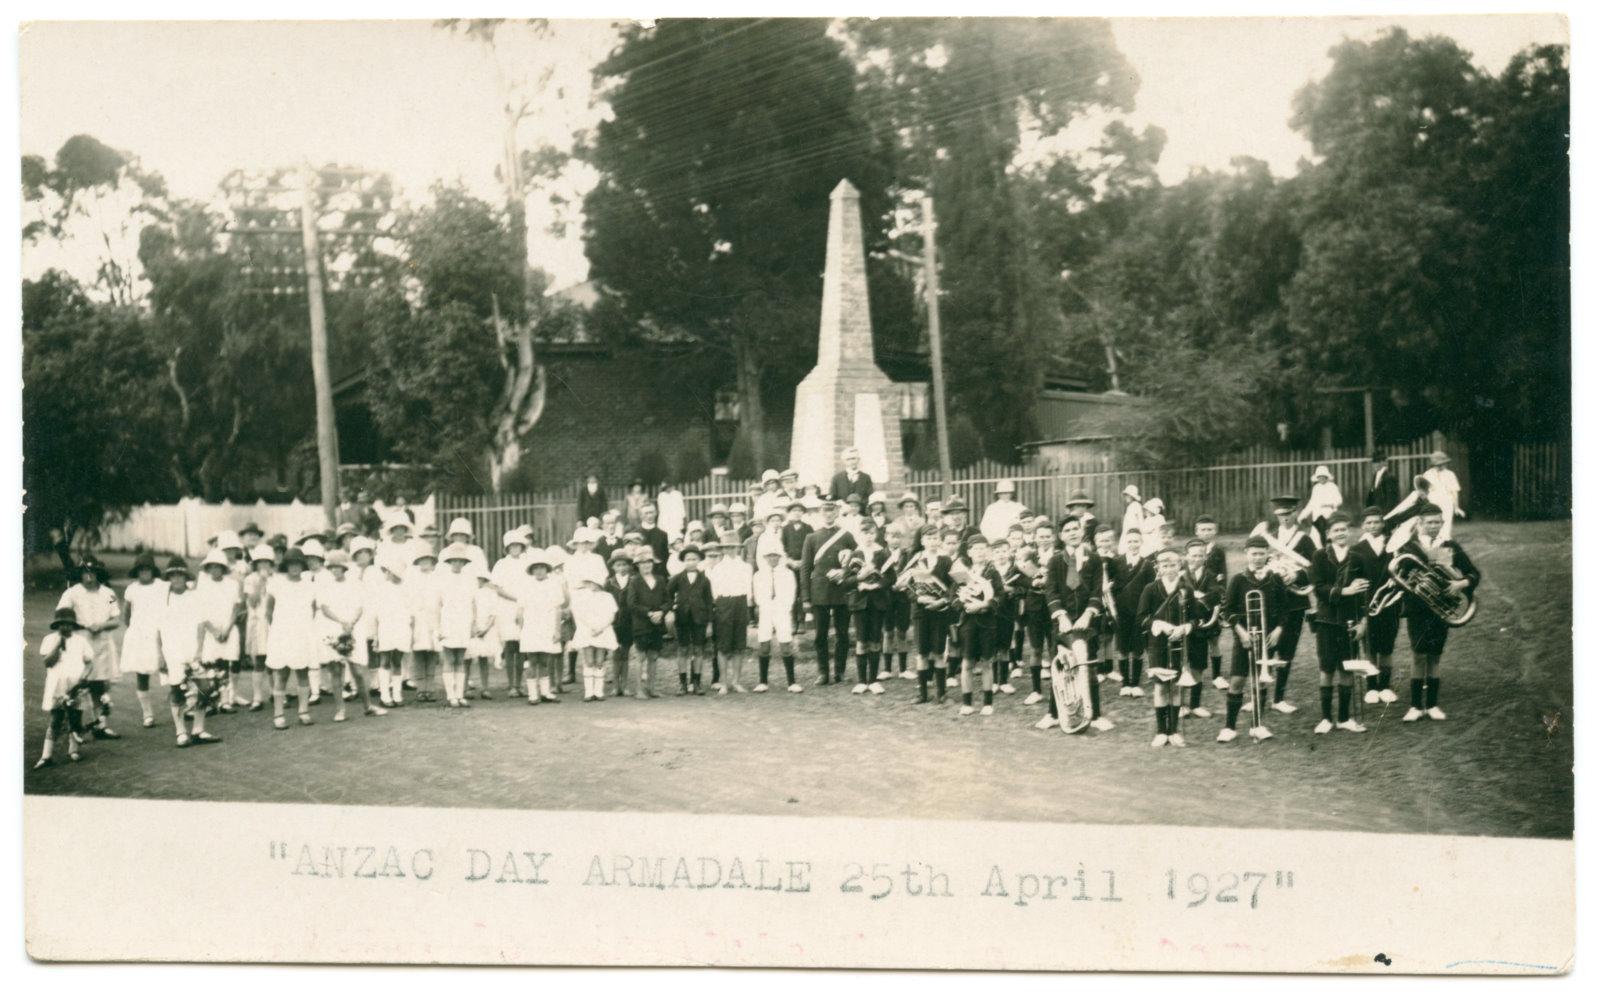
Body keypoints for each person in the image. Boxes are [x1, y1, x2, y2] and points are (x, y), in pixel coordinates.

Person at [1396, 503, 1479, 723]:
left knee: (1434, 656)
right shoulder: (1408, 548)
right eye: (1429, 522)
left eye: (1438, 522)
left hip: (1441, 609)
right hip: (1417, 609)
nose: (1434, 526)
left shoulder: (1448, 545)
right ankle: (1415, 706)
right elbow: (1399, 577)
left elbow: (1473, 573)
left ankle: (1432, 705)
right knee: (1418, 654)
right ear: (1420, 524)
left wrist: (1461, 584)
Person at [1040, 514, 1108, 732]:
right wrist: (1061, 617)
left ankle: (1095, 715)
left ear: (1082, 531)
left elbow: (1097, 590)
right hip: (1062, 622)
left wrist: (1088, 615)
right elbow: (1050, 591)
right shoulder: (1055, 560)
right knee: (1061, 667)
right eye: (1068, 530)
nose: (1072, 533)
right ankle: (1053, 714)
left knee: (1089, 667)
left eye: (1076, 528)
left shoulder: (1094, 559)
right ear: (1061, 536)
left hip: (1087, 621)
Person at [1309, 512, 1373, 735]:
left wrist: (1363, 622)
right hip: (1326, 621)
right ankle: (1326, 718)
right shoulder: (1319, 556)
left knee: (1347, 669)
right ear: (1328, 534)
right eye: (1336, 530)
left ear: (1350, 531)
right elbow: (1318, 588)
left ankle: (1345, 718)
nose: (1341, 533)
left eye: (1344, 529)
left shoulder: (1358, 558)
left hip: (1350, 622)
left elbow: (1365, 594)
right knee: (1326, 669)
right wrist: (1344, 591)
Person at [1252, 494, 1317, 714]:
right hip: (1272, 602)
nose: (1284, 519)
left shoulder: (1305, 539)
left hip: (1296, 602)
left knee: (1287, 650)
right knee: (1265, 649)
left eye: (1288, 514)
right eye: (1280, 515)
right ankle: (1259, 698)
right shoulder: (1269, 537)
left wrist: (1296, 576)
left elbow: (1314, 570)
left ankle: (1278, 698)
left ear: (1296, 513)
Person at [1218, 536, 1287, 743]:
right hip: (1245, 638)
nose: (1258, 557)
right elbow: (1227, 610)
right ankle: (1229, 727)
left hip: (1267, 638)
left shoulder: (1275, 579)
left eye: (1262, 553)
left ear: (1268, 555)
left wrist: (1278, 630)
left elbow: (1285, 609)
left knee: (1261, 682)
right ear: (1246, 554)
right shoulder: (1239, 579)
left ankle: (1258, 725)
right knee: (1237, 681)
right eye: (1254, 553)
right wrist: (1240, 632)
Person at [1139, 548, 1200, 749]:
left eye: (1173, 564)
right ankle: (1160, 731)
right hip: (1157, 645)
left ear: (1180, 565)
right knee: (1160, 686)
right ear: (1158, 568)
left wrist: (1185, 627)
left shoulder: (1186, 590)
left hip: (1180, 644)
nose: (1169, 569)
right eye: (1164, 565)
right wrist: (1160, 625)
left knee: (1175, 687)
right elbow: (1142, 618)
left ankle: (1173, 731)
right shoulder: (1150, 588)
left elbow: (1195, 618)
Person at [55, 556, 122, 738]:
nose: (89, 577)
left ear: (98, 574)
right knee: (77, 686)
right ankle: (74, 728)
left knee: (99, 686)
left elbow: (116, 619)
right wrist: (79, 626)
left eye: (93, 573)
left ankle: (100, 725)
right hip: (79, 643)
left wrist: (101, 625)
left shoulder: (108, 594)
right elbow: (61, 616)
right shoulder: (71, 593)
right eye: (85, 573)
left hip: (101, 645)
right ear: (80, 574)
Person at [800, 497, 858, 686]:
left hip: (841, 591)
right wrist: (806, 597)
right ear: (820, 512)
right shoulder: (812, 537)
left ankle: (839, 672)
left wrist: (844, 571)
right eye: (825, 510)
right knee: (820, 635)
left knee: (842, 634)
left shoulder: (847, 536)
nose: (829, 513)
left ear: (837, 512)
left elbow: (857, 561)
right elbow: (806, 569)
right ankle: (823, 672)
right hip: (820, 592)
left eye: (832, 510)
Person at [265, 547, 319, 730]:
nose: (294, 567)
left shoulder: (309, 586)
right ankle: (278, 714)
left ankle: (303, 711)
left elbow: (311, 610)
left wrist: (303, 629)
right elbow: (269, 611)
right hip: (282, 634)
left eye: (298, 564)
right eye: (291, 564)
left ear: (302, 566)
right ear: (286, 566)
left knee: (303, 673)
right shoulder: (276, 584)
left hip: (302, 634)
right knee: (281, 674)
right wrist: (280, 631)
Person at [35, 606, 96, 768]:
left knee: (75, 718)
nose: (65, 627)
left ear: (73, 625)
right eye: (62, 624)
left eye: (69, 624)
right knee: (56, 719)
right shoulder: (49, 640)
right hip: (57, 685)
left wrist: (84, 677)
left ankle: (73, 750)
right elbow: (47, 662)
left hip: (76, 685)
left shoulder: (81, 641)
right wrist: (59, 645)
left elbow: (90, 663)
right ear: (57, 625)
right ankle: (46, 755)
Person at [1355, 506, 1403, 705]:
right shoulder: (1356, 549)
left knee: (1386, 647)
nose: (1373, 526)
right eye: (1369, 523)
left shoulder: (1393, 545)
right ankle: (1371, 687)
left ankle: (1385, 686)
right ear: (1363, 526)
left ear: (1383, 523)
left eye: (1377, 522)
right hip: (1366, 604)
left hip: (1390, 603)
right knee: (1369, 648)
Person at [951, 537, 1003, 717]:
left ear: (988, 551)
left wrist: (982, 605)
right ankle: (967, 703)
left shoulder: (992, 573)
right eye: (976, 549)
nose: (980, 552)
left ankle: (988, 703)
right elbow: (953, 599)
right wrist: (963, 601)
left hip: (987, 623)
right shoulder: (962, 573)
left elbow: (999, 597)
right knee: (967, 662)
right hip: (967, 623)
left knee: (987, 662)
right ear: (969, 552)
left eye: (983, 549)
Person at [119, 553, 169, 728]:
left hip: (161, 632)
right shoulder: (132, 589)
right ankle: (147, 713)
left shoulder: (163, 586)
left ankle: (185, 706)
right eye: (141, 570)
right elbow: (126, 613)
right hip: (140, 634)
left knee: (171, 669)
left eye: (147, 569)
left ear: (153, 571)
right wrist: (134, 629)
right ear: (137, 572)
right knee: (142, 674)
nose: (144, 572)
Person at [516, 548, 567, 705]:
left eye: (542, 567)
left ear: (547, 569)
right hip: (531, 627)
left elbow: (558, 608)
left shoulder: (554, 584)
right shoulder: (526, 585)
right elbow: (520, 609)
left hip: (547, 626)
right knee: (532, 661)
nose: (539, 571)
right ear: (532, 570)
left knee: (545, 661)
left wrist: (557, 630)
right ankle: (533, 694)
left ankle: (545, 692)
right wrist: (521, 629)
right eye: (535, 568)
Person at [752, 532, 801, 693]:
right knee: (764, 644)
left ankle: (792, 682)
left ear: (780, 557)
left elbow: (791, 595)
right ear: (765, 558)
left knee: (785, 644)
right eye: (769, 556)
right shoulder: (759, 575)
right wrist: (766, 607)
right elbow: (758, 596)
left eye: (775, 556)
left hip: (782, 611)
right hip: (766, 610)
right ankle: (763, 682)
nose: (773, 559)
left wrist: (783, 609)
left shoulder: (788, 574)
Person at [1181, 538, 1222, 723]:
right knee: (1180, 664)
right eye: (1193, 555)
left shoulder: (1210, 575)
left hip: (1199, 626)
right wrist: (1193, 596)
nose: (1196, 559)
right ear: (1186, 556)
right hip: (1181, 625)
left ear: (1205, 557)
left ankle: (1195, 705)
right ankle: (1180, 705)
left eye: (1200, 555)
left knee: (1198, 664)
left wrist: (1199, 598)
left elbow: (1215, 595)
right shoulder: (1180, 574)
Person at [843, 533, 890, 695]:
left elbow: (891, 578)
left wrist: (876, 585)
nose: (868, 536)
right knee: (861, 641)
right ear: (860, 535)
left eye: (871, 533)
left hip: (877, 603)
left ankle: (874, 681)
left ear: (875, 534)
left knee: (875, 641)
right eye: (864, 533)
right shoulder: (855, 554)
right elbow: (846, 580)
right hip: (859, 604)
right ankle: (862, 681)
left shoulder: (882, 554)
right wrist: (860, 579)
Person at [1111, 527, 1154, 697]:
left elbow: (1151, 588)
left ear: (1141, 542)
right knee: (1122, 647)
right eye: (1129, 541)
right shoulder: (1117, 562)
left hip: (1139, 611)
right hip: (1121, 612)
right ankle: (1125, 683)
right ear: (1124, 543)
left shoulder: (1147, 564)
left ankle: (1135, 683)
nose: (1133, 544)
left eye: (1136, 541)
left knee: (1137, 648)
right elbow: (1112, 586)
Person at [708, 538, 754, 694]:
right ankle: (723, 683)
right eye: (727, 547)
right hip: (724, 604)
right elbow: (714, 591)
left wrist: (746, 605)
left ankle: (736, 681)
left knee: (739, 645)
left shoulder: (746, 567)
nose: (730, 550)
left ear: (738, 548)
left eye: (733, 547)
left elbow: (748, 588)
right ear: (723, 549)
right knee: (723, 645)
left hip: (740, 603)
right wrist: (722, 605)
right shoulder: (718, 568)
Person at [568, 567, 619, 702]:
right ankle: (589, 692)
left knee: (600, 661)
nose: (592, 585)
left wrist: (601, 627)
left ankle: (599, 691)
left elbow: (612, 615)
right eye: (589, 582)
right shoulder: (582, 597)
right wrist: (592, 627)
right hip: (587, 630)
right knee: (589, 661)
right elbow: (580, 614)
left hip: (603, 630)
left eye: (594, 582)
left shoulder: (608, 597)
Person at [668, 544, 713, 695]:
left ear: (699, 560)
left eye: (694, 559)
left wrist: (709, 623)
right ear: (683, 561)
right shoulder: (677, 578)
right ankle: (682, 683)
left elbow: (708, 602)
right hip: (682, 619)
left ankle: (697, 682)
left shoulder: (704, 580)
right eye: (688, 559)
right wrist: (671, 609)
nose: (691, 562)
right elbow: (667, 596)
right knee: (683, 649)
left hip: (699, 619)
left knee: (699, 650)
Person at [625, 547, 669, 698]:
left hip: (657, 623)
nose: (646, 565)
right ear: (637, 565)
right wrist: (648, 613)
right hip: (641, 624)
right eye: (642, 563)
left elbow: (668, 600)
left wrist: (661, 612)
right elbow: (631, 603)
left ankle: (651, 688)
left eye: (649, 562)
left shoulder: (661, 580)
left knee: (654, 656)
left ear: (653, 563)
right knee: (640, 656)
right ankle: (638, 690)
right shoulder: (634, 581)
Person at [1194, 516, 1229, 689]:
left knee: (1214, 640)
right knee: (1194, 638)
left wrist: (1220, 600)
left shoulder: (1218, 552)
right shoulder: (1192, 550)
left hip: (1212, 601)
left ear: (1215, 531)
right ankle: (1193, 673)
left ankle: (1217, 676)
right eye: (1203, 529)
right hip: (1195, 603)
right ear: (1196, 531)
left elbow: (1222, 578)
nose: (1206, 533)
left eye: (1210, 529)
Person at [404, 548, 442, 703]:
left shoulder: (438, 578)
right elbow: (409, 601)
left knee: (432, 655)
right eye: (422, 560)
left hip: (434, 619)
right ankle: (421, 689)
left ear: (433, 562)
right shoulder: (412, 579)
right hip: (418, 619)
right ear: (418, 562)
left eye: (428, 559)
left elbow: (441, 599)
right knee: (419, 654)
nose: (425, 563)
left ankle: (430, 688)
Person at [243, 543, 276, 711]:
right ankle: (257, 697)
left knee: (275, 660)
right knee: (260, 660)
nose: (263, 565)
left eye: (267, 562)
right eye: (260, 562)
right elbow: (252, 601)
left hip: (273, 623)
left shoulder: (277, 579)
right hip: (257, 623)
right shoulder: (249, 579)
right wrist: (261, 582)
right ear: (255, 564)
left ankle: (276, 694)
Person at [1420, 451, 1466, 540]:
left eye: (1443, 464)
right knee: (1432, 524)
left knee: (1445, 524)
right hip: (1432, 502)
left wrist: (1456, 507)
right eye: (1438, 464)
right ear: (1433, 464)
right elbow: (1423, 490)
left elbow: (1454, 492)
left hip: (1446, 502)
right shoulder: (1427, 474)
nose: (1441, 466)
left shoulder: (1450, 474)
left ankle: (1445, 542)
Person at [1302, 466, 1343, 544]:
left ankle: (1330, 550)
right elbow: (1312, 503)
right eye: (1319, 477)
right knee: (1315, 538)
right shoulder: (1316, 488)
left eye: (1323, 477)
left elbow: (1339, 500)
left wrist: (1330, 504)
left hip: (1329, 515)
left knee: (1329, 536)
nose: (1321, 479)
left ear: (1326, 477)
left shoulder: (1332, 486)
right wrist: (1302, 515)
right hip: (1317, 516)